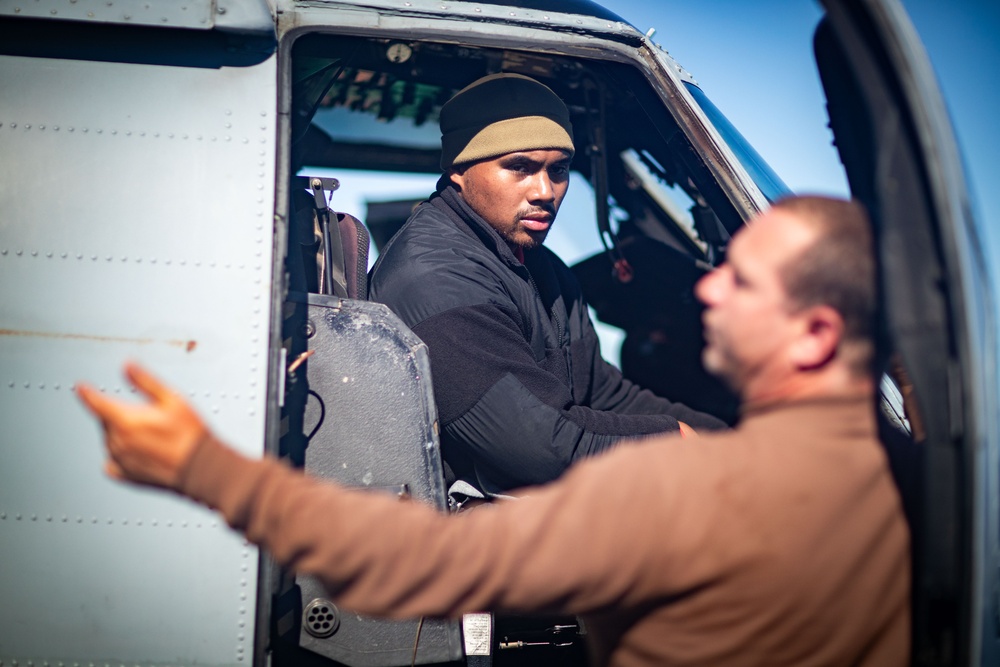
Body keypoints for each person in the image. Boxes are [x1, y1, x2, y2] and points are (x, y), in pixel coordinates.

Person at [77, 195, 910, 666]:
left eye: (742, 281)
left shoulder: (680, 492)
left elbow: (425, 565)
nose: (705, 291)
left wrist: (209, 470)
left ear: (815, 335)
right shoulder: (897, 494)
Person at [367, 73, 725, 499]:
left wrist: (727, 439)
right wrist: (677, 439)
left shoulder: (540, 265)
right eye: (519, 167)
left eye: (559, 170)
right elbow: (539, 448)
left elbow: (601, 391)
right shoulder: (436, 278)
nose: (545, 191)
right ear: (458, 170)